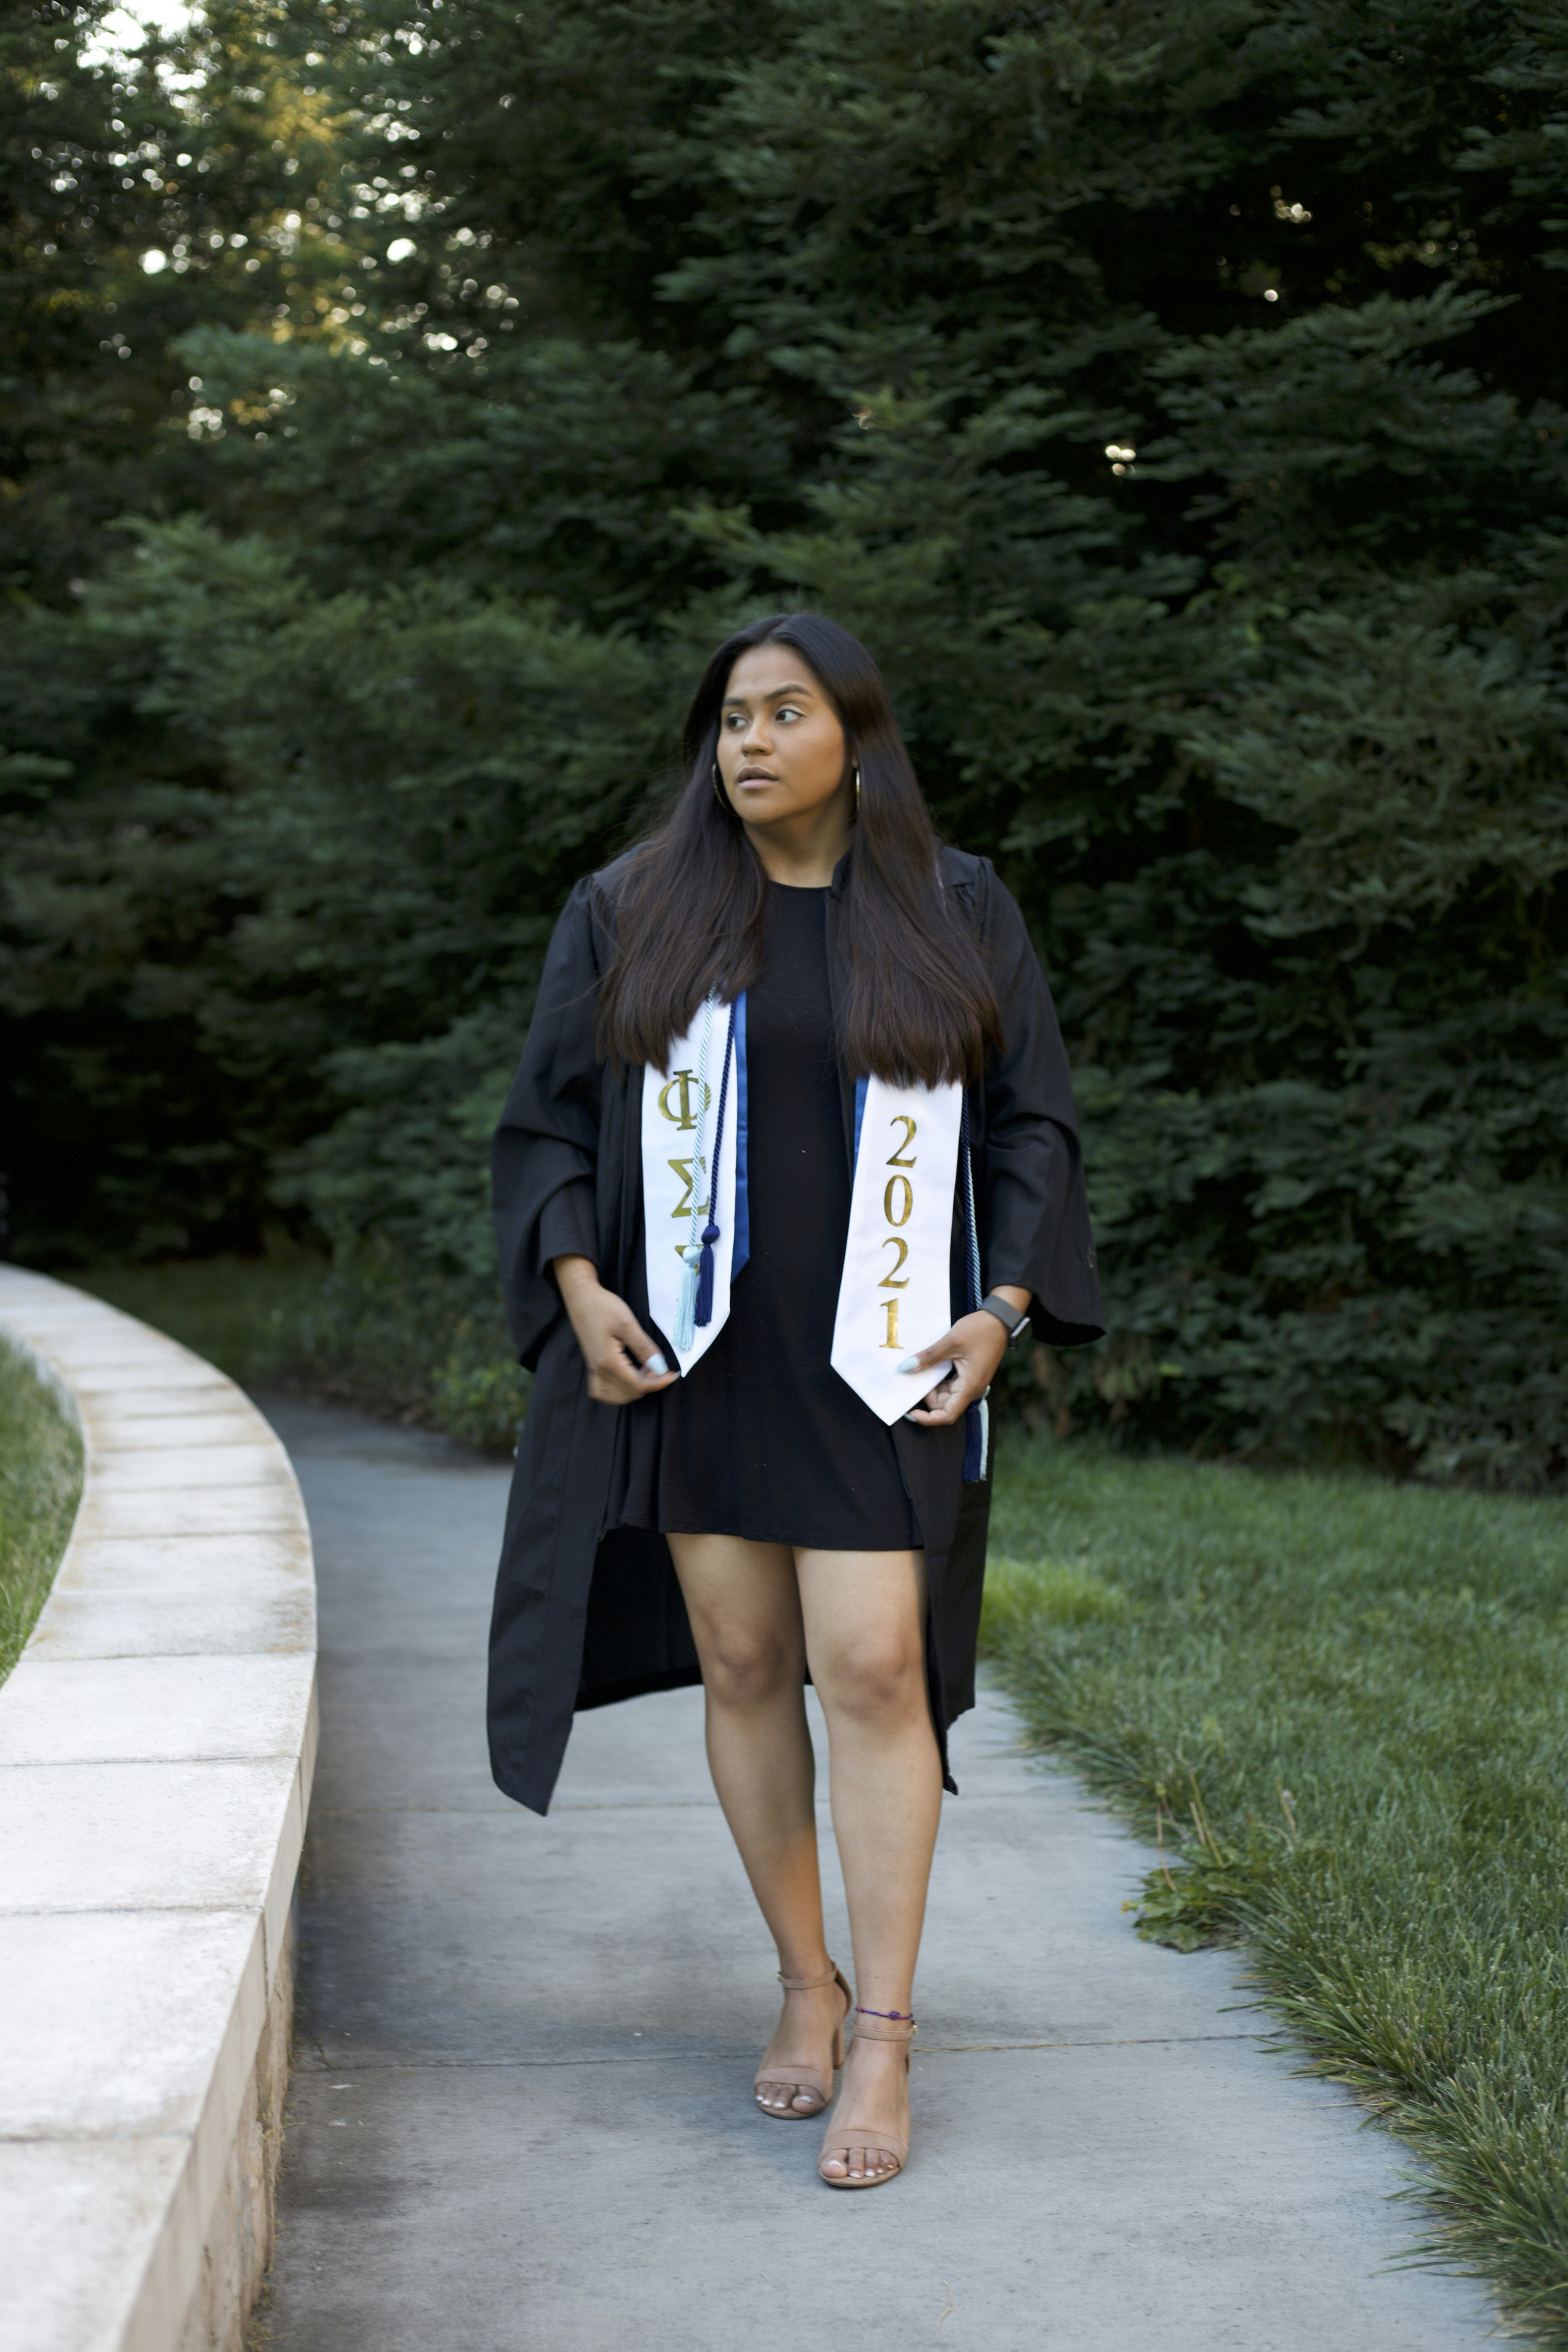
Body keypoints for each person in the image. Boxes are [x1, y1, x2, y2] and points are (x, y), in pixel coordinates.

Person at [488, 612, 1101, 2188]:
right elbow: (547, 1125)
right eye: (729, 720)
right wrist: (577, 1287)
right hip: (705, 1348)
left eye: (783, 714)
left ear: (855, 737)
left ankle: (885, 2029)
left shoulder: (952, 908)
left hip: (880, 1353)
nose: (747, 744)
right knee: (747, 1659)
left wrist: (1004, 1307)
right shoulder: (635, 909)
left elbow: (1034, 1122)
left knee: (876, 1666)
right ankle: (804, 1986)